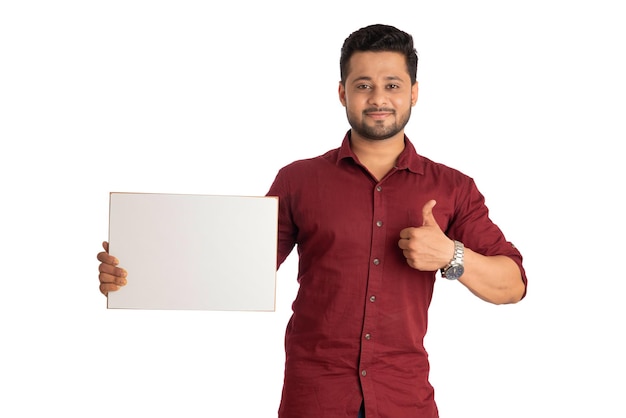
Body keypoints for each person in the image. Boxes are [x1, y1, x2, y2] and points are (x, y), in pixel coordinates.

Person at [97, 24, 527, 418]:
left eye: (392, 85)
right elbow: (235, 269)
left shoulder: (453, 187)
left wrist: (451, 255)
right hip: (314, 399)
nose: (378, 98)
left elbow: (513, 284)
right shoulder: (298, 180)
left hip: (405, 399)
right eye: (363, 85)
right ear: (342, 93)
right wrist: (137, 272)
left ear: (414, 92)